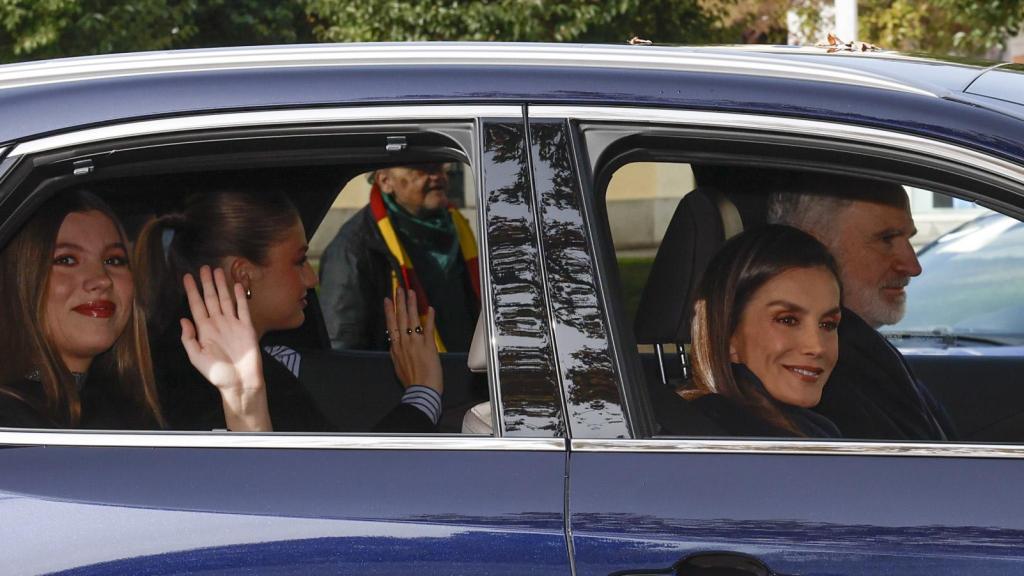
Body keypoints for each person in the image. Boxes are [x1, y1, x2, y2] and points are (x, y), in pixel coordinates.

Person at [135, 189, 443, 432]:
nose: (312, 278)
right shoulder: (226, 376)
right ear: (243, 274)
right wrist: (423, 393)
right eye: (299, 261)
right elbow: (342, 485)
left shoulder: (177, 360)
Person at [0, 191, 263, 431]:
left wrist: (244, 398)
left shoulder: (144, 409)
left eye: (113, 260)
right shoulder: (10, 422)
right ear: (20, 279)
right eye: (66, 260)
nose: (101, 279)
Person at [767, 173, 955, 440]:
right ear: (813, 246)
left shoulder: (864, 352)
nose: (913, 266)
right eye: (886, 239)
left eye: (908, 239)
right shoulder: (816, 381)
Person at [658, 225, 844, 437]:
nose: (816, 346)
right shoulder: (717, 434)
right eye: (787, 320)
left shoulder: (807, 429)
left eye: (828, 324)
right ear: (728, 336)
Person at [319, 163, 480, 351]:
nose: (437, 176)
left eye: (439, 166)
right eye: (422, 168)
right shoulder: (352, 248)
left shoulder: (457, 227)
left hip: (466, 369)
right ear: (385, 181)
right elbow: (343, 346)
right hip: (402, 377)